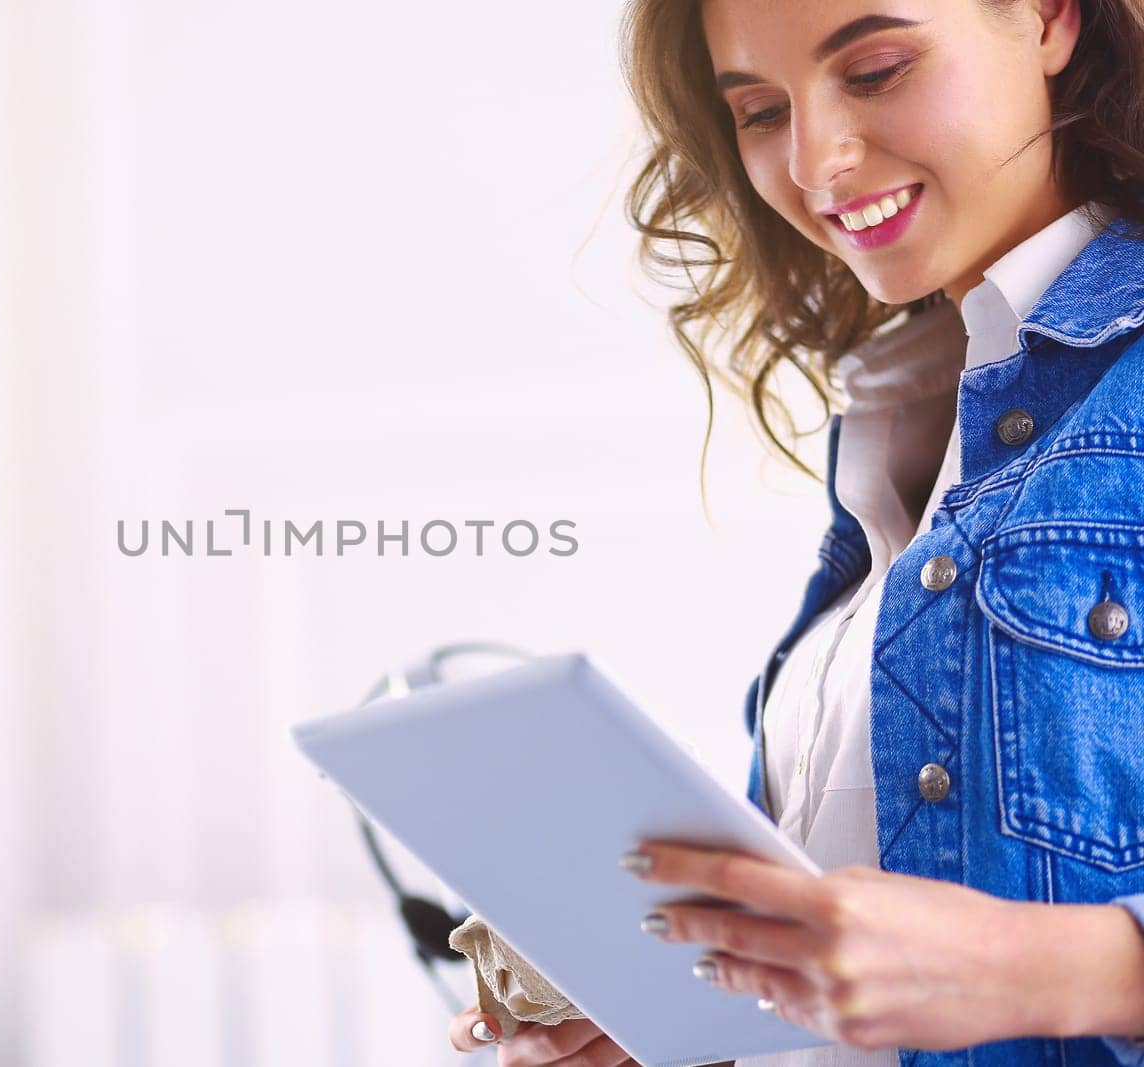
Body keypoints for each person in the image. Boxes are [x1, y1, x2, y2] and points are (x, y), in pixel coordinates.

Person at [448, 1, 1144, 1064]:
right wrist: (687, 1030)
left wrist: (1039, 965)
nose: (816, 161)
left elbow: (992, 965)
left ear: (1049, 17)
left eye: (872, 70)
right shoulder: (900, 424)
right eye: (762, 111)